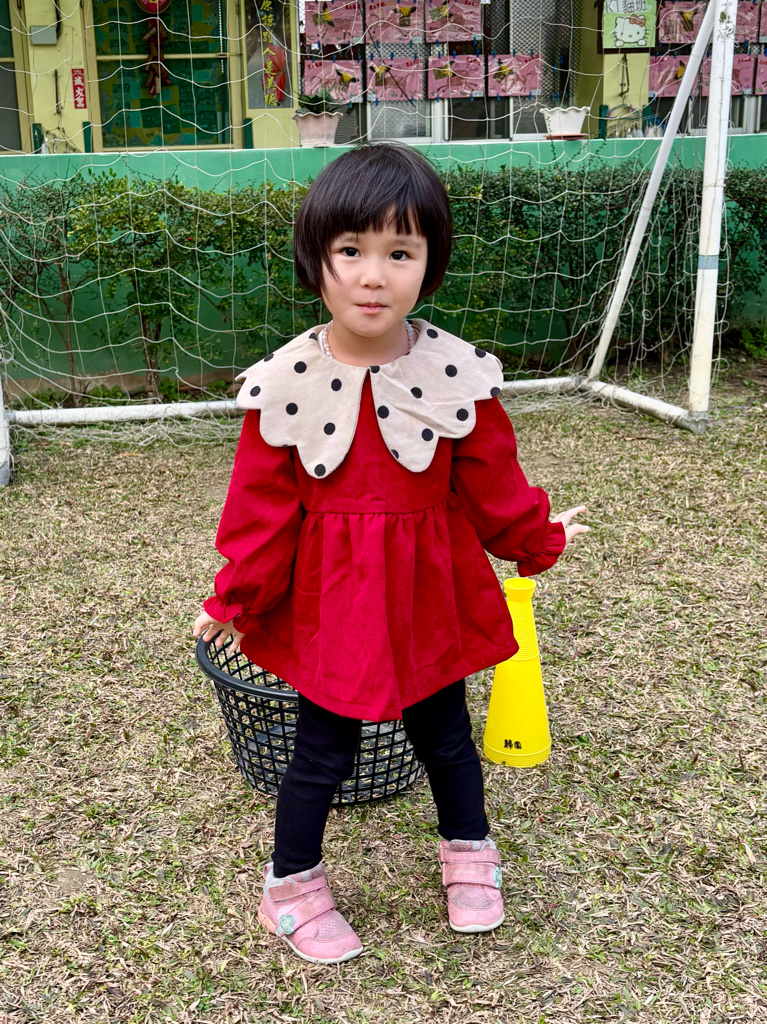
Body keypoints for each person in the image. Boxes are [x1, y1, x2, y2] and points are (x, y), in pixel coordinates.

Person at [193, 143, 588, 966]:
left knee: (445, 734)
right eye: (351, 250)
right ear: (316, 259)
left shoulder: (454, 373)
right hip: (333, 601)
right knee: (321, 748)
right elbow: (260, 513)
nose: (373, 276)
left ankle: (468, 852)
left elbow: (492, 483)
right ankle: (289, 886)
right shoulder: (285, 382)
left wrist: (536, 538)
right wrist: (235, 599)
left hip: (427, 593)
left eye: (399, 252)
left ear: (428, 263)